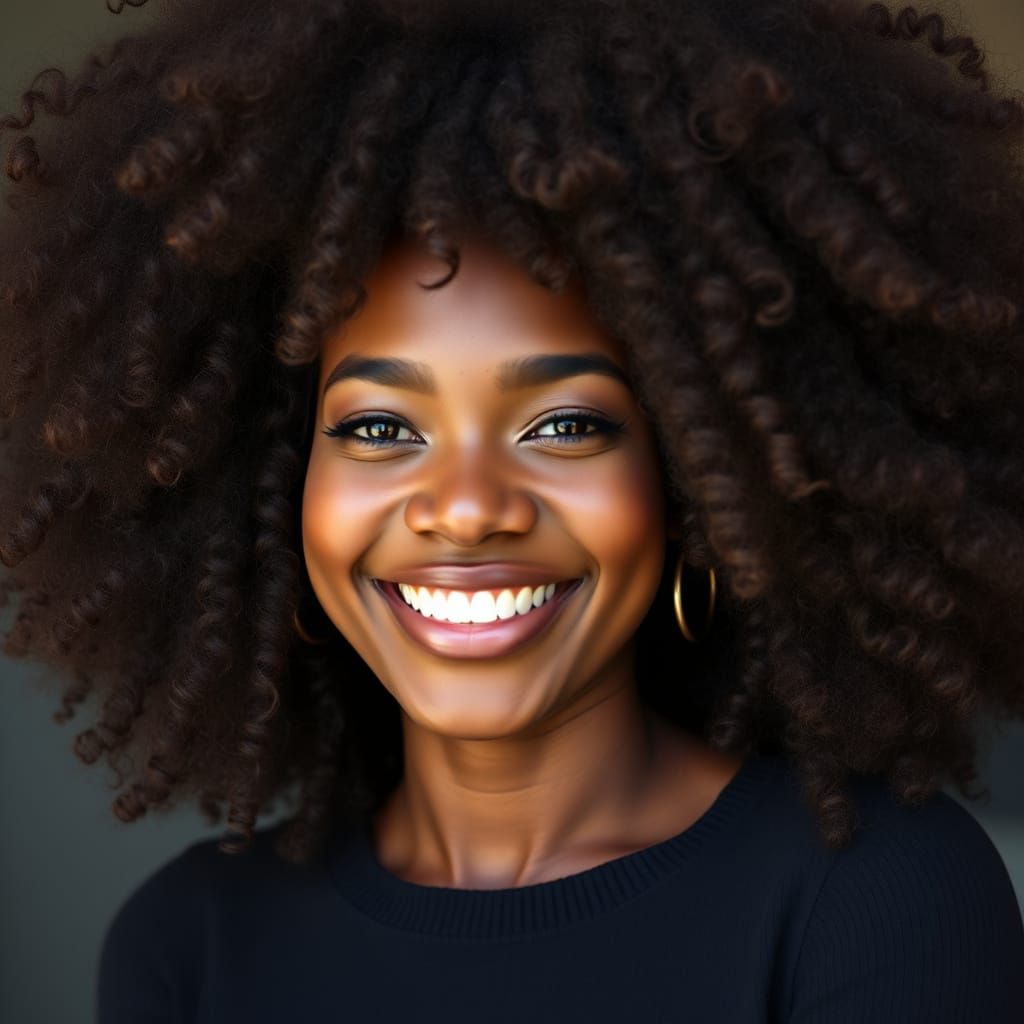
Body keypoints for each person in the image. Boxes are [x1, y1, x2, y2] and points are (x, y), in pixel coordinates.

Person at [0, 0, 1022, 1019]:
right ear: (277, 488)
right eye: (380, 429)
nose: (466, 508)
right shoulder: (189, 949)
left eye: (564, 426)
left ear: (702, 486)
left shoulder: (878, 897)